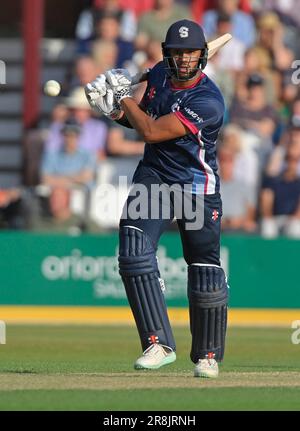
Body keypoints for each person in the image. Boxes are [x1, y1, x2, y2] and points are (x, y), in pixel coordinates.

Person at [85, 20, 228, 378]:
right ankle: (157, 343)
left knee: (203, 269)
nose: (183, 60)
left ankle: (207, 355)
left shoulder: (209, 101)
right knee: (133, 251)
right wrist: (114, 110)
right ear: (168, 53)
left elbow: (151, 131)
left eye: (190, 53)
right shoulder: (161, 74)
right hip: (156, 178)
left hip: (196, 188)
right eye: (177, 53)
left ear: (202, 57)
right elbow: (138, 121)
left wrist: (124, 98)